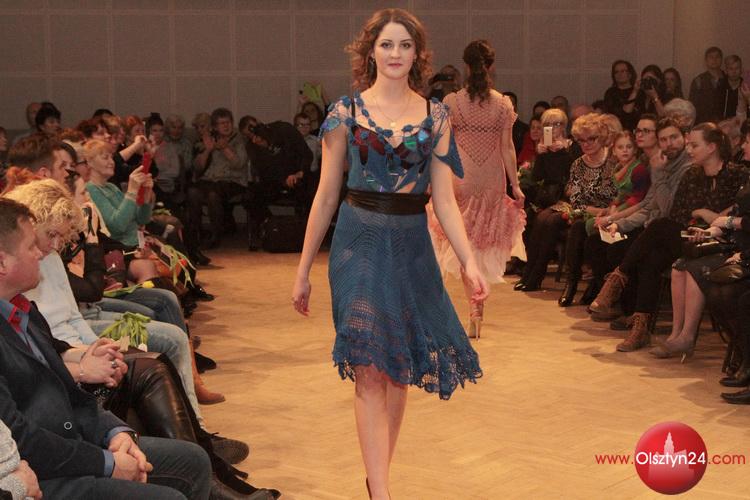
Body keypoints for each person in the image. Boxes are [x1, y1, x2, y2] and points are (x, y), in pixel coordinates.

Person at [291, 9, 487, 499]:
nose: (395, 53)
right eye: (386, 44)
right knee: (369, 367)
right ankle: (380, 492)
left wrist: (469, 261)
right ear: (370, 52)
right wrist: (303, 270)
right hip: (357, 244)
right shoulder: (346, 113)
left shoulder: (436, 116)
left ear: (417, 54)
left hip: (411, 247)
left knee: (397, 370)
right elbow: (325, 196)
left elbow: (445, 200)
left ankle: (377, 476)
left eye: (405, 45)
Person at [0, 198, 212, 499]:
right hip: (40, 473)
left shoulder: (23, 311)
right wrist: (107, 463)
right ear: (2, 263)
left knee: (192, 461)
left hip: (71, 444)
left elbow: (72, 395)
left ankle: (211, 463)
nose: (41, 253)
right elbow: (20, 438)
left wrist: (115, 432)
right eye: (31, 246)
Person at [428, 39, 525, 338]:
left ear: (466, 67)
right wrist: (515, 185)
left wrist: (433, 180)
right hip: (492, 177)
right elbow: (507, 148)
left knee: (463, 243)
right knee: (481, 245)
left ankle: (471, 306)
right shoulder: (503, 103)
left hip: (461, 176)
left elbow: (441, 146)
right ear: (490, 66)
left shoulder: (452, 101)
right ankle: (477, 308)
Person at [689, 46, 726, 124]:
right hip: (703, 123)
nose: (714, 60)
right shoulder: (698, 81)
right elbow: (692, 106)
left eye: (717, 57)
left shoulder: (727, 80)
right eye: (711, 57)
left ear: (721, 59)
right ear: (706, 60)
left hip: (724, 123)